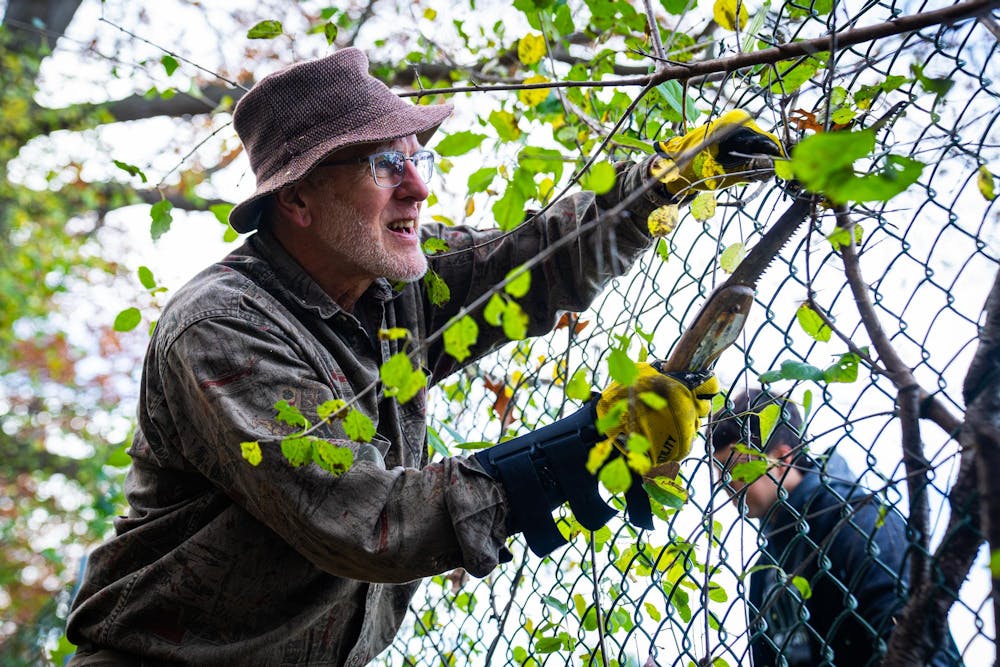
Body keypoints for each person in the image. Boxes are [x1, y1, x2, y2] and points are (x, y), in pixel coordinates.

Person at [65, 48, 781, 665]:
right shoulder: (223, 327)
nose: (418, 184)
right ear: (300, 200)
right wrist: (588, 445)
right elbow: (371, 520)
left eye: (417, 156)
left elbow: (536, 263)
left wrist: (659, 184)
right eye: (384, 163)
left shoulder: (393, 277)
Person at [710, 388, 964, 666]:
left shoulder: (856, 520)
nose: (727, 485)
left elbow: (915, 647)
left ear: (783, 459)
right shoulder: (766, 564)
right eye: (720, 473)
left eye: (736, 470)